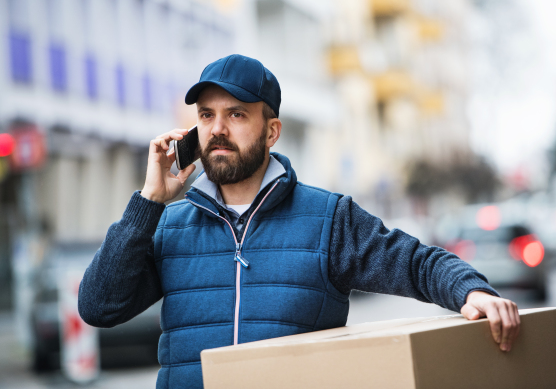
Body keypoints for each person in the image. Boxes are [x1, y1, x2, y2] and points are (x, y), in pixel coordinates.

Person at [78, 54, 520, 388]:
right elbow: (98, 307)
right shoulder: (169, 225)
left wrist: (471, 289)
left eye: (236, 114)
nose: (217, 129)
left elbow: (416, 263)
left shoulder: (328, 218)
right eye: (207, 115)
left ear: (271, 131)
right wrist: (149, 202)